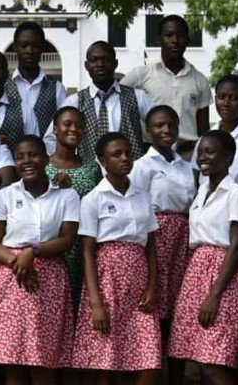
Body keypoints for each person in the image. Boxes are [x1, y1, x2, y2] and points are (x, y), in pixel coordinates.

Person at [0, 135, 79, 382]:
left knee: (44, 361)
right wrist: (18, 262)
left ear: (46, 158)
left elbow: (67, 240)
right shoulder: (5, 195)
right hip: (10, 277)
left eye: (33, 155)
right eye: (20, 157)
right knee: (13, 361)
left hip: (49, 280)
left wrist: (31, 253)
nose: (27, 161)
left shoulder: (66, 195)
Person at [72, 132, 162, 383]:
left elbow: (151, 247)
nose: (124, 158)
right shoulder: (93, 199)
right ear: (103, 160)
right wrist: (95, 301)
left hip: (139, 280)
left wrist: (152, 287)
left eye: (128, 153)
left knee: (149, 358)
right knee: (106, 358)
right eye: (116, 154)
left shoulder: (143, 196)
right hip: (107, 279)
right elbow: (88, 252)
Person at [168, 130, 238, 385]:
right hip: (197, 270)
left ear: (228, 156)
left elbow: (237, 246)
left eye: (210, 151)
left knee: (215, 360)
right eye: (200, 152)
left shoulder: (237, 193)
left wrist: (215, 295)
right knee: (193, 353)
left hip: (224, 275)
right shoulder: (202, 190)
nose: (202, 157)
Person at [131, 106, 195, 354]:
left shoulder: (185, 165)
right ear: (149, 131)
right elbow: (137, 206)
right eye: (159, 126)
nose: (166, 130)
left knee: (177, 301)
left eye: (171, 125)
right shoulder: (142, 166)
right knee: (155, 301)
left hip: (182, 236)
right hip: (155, 236)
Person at [45, 41, 153, 161]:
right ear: (87, 66)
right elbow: (50, 138)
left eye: (106, 59)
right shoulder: (75, 102)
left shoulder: (138, 96)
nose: (100, 64)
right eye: (94, 60)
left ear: (115, 63)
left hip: (131, 174)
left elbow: (160, 126)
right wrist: (60, 165)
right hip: (90, 177)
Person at [121, 14, 212, 152]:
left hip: (188, 156)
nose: (175, 40)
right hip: (151, 154)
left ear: (187, 40)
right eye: (169, 35)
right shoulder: (141, 75)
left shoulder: (199, 80)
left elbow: (203, 129)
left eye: (180, 36)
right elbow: (116, 102)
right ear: (159, 40)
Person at [44, 106, 100, 310]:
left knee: (79, 302)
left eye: (79, 126)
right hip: (53, 242)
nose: (74, 129)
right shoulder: (43, 166)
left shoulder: (92, 167)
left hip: (83, 244)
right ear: (55, 129)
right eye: (67, 124)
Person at [193, 75, 238, 189]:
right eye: (221, 97)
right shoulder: (206, 138)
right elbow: (196, 174)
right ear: (215, 99)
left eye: (233, 98)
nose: (226, 103)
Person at [8, 22, 67, 137]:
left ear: (43, 47)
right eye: (24, 45)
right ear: (15, 47)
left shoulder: (57, 89)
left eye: (35, 45)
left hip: (47, 154)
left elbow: (63, 127)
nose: (30, 51)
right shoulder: (3, 87)